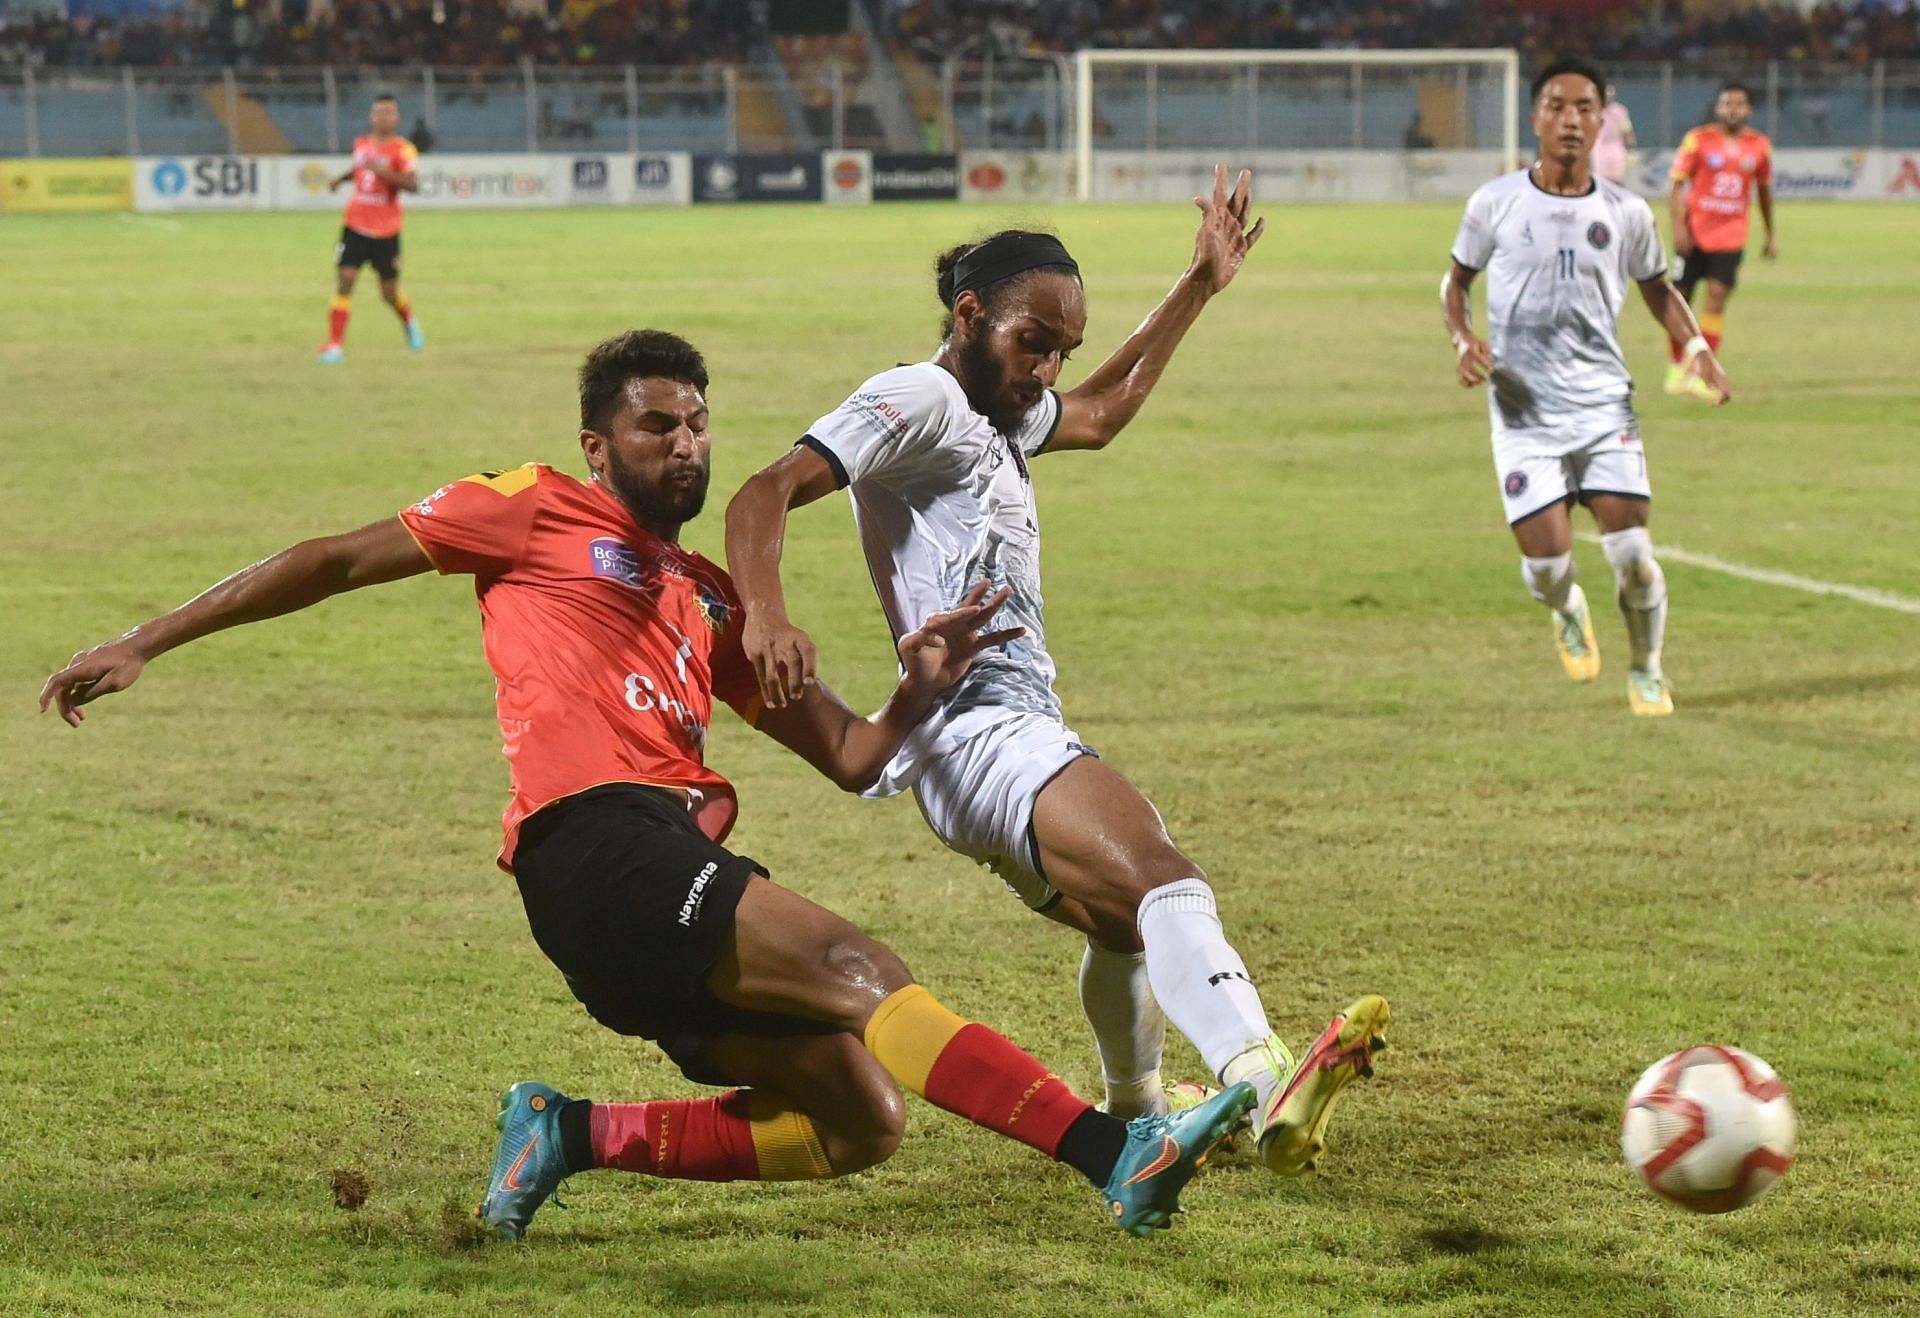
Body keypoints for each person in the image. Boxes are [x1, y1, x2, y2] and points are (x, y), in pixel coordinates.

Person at [38, 330, 1254, 1241]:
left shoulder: (712, 594)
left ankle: (566, 1130)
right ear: (596, 444)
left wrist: (919, 686)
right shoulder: (533, 512)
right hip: (593, 840)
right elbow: (331, 558)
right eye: (657, 427)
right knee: (862, 972)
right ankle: (1115, 1157)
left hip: (644, 885)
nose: (685, 446)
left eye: (697, 425)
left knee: (859, 1121)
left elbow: (849, 757)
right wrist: (151, 635)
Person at [725, 167, 1389, 1178]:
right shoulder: (923, 396)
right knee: (1166, 881)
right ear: (969, 312)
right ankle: (1262, 1077)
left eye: (1059, 350)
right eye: (1032, 341)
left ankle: (1136, 1112)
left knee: (1125, 926)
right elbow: (763, 492)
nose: (1045, 368)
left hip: (979, 743)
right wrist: (765, 611)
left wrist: (1199, 284)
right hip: (979, 728)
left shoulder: (1002, 407)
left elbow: (1106, 409)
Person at [1440, 60, 1732, 719]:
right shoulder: (1495, 203)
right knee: (1548, 572)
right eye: (1556, 105)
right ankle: (1567, 610)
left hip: (1604, 406)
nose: (1571, 118)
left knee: (1633, 555)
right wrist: (1462, 339)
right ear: (1536, 117)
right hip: (1522, 412)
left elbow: (1660, 289)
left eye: (1585, 107)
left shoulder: (1627, 212)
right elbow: (1454, 283)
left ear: (1603, 120)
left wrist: (1696, 349)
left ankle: (1647, 668)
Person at [1664, 81, 1775, 397]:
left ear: (1749, 109)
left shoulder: (1759, 146)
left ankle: (1700, 372)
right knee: (1680, 301)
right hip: (1694, 234)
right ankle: (1675, 370)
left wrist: (1770, 235)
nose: (1733, 110)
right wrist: (1679, 229)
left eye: (1739, 104)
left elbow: (1764, 193)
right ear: (1718, 108)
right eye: (1727, 104)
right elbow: (1674, 187)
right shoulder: (1698, 140)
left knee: (1715, 300)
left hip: (1730, 237)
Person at [319, 93, 425, 364]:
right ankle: (334, 345)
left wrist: (382, 170)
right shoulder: (362, 143)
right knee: (345, 280)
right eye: (379, 112)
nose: (383, 117)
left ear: (397, 118)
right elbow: (359, 170)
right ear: (372, 116)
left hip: (387, 231)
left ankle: (409, 321)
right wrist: (339, 181)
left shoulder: (404, 150)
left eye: (389, 113)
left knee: (388, 292)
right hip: (355, 225)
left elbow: (413, 185)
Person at [1592, 84, 1635, 185]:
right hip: (1599, 149)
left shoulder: (1620, 111)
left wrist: (1630, 148)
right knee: (1601, 181)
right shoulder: (1595, 111)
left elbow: (1626, 130)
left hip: (1617, 149)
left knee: (1618, 180)